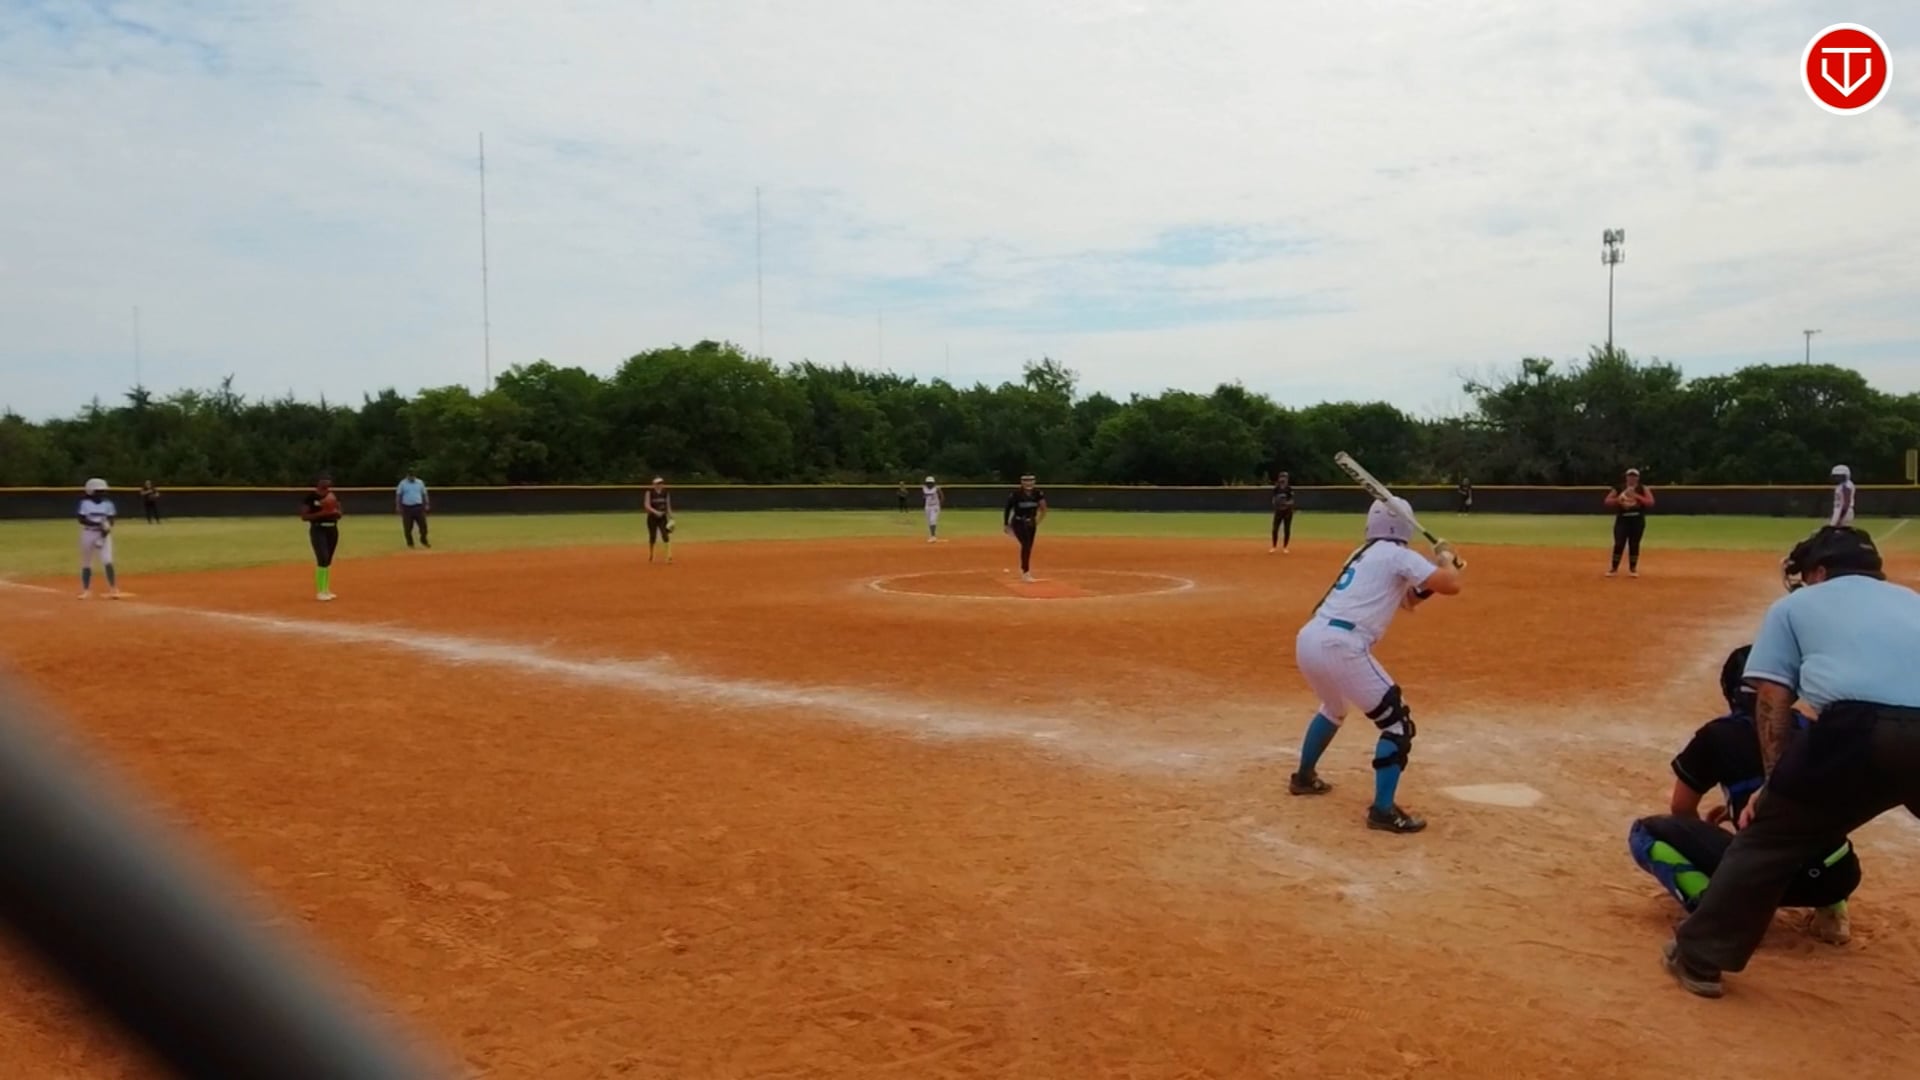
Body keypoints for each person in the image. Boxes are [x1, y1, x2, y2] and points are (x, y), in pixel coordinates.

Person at [1662, 525, 1920, 998]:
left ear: (1819, 571)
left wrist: (1775, 783)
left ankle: (1700, 958)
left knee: (1771, 839)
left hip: (1856, 727)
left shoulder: (1796, 606)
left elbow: (1772, 696)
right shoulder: (1912, 602)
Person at [1628, 644, 1857, 945]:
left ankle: (1718, 913)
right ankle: (1833, 913)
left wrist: (1708, 834)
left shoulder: (1717, 735)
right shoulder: (1813, 730)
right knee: (1818, 820)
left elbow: (1682, 808)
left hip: (1763, 878)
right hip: (1837, 875)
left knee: (1644, 833)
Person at [1289, 498, 1464, 833]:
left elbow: (1408, 600)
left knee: (1333, 708)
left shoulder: (1363, 554)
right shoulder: (1398, 555)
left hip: (1310, 638)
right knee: (1398, 725)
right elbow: (1451, 584)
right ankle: (1383, 811)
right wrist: (1445, 560)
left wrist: (1440, 570)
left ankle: (1304, 778)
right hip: (1342, 644)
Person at [1604, 467, 1655, 577]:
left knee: (1634, 544)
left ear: (1638, 478)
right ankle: (1614, 568)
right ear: (1626, 477)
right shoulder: (1619, 488)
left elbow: (1650, 502)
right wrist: (1618, 500)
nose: (1632, 478)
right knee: (1619, 543)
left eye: (1634, 476)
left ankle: (1633, 568)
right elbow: (1607, 501)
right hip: (1622, 519)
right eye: (1630, 476)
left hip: (1637, 520)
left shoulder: (1643, 488)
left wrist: (1636, 496)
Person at [76, 478, 121, 600]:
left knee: (107, 561)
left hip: (103, 535)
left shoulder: (108, 504)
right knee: (86, 562)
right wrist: (98, 524)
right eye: (99, 491)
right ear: (91, 491)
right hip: (88, 533)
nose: (102, 493)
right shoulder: (84, 503)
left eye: (103, 491)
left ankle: (113, 588)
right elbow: (81, 519)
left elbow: (111, 520)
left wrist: (105, 529)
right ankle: (86, 590)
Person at [300, 475, 343, 602]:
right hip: (318, 529)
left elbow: (340, 513)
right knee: (322, 558)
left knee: (328, 560)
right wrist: (323, 513)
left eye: (328, 480)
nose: (327, 483)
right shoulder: (311, 497)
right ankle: (320, 591)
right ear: (318, 483)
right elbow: (304, 516)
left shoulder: (332, 496)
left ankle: (326, 589)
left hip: (332, 529)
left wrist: (335, 512)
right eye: (324, 480)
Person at [1003, 475, 1047, 582]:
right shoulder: (1016, 494)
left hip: (1031, 522)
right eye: (1026, 481)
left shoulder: (1038, 493)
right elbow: (1008, 508)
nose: (1028, 483)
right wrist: (1006, 524)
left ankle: (1025, 570)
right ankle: (1025, 572)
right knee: (1026, 545)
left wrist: (1038, 521)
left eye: (1031, 481)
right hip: (1018, 522)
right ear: (1022, 482)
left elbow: (1043, 508)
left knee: (1029, 546)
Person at [395, 470, 430, 549]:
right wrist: (398, 506)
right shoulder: (402, 483)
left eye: (413, 476)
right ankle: (410, 544)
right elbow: (399, 495)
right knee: (407, 527)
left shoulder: (420, 482)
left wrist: (427, 504)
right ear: (407, 476)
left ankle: (423, 540)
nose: (412, 477)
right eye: (410, 476)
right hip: (407, 508)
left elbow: (424, 494)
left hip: (418, 507)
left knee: (423, 526)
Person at [644, 477, 673, 564]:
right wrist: (656, 512)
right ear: (653, 485)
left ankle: (668, 555)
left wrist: (671, 517)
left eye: (661, 483)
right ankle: (651, 554)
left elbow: (668, 506)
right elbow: (647, 505)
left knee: (665, 535)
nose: (660, 485)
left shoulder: (666, 493)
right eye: (657, 483)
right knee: (652, 536)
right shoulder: (649, 492)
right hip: (652, 517)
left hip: (662, 517)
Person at [1269, 471, 1296, 554]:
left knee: (1286, 529)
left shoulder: (1289, 489)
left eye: (1284, 477)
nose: (1283, 479)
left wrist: (1286, 504)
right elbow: (1273, 499)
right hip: (1278, 511)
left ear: (1287, 479)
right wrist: (1277, 504)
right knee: (1275, 529)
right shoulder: (1276, 489)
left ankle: (1285, 547)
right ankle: (1274, 546)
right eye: (1282, 477)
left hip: (1287, 512)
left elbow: (1292, 501)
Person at [921, 476, 944, 543]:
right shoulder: (924, 488)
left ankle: (933, 536)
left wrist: (939, 505)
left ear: (933, 483)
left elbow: (942, 496)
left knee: (932, 520)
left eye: (931, 483)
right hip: (927, 506)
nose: (929, 484)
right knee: (929, 522)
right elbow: (924, 497)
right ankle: (931, 535)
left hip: (935, 506)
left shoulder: (937, 488)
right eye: (928, 483)